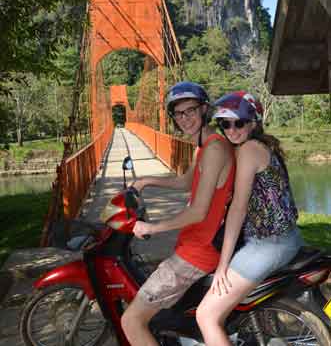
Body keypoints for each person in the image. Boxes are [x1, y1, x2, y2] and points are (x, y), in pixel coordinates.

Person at [121, 81, 236, 346]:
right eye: (179, 113)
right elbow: (186, 182)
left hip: (198, 252)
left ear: (205, 109)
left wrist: (151, 228)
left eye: (191, 110)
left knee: (131, 321)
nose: (185, 118)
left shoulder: (215, 150)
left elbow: (197, 212)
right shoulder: (204, 145)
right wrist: (146, 181)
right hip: (195, 244)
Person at [196, 90, 303, 346]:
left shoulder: (249, 150)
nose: (231, 130)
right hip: (285, 238)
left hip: (268, 245)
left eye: (238, 123)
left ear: (253, 123)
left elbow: (239, 209)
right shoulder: (261, 146)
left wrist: (223, 266)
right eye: (224, 124)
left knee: (206, 315)